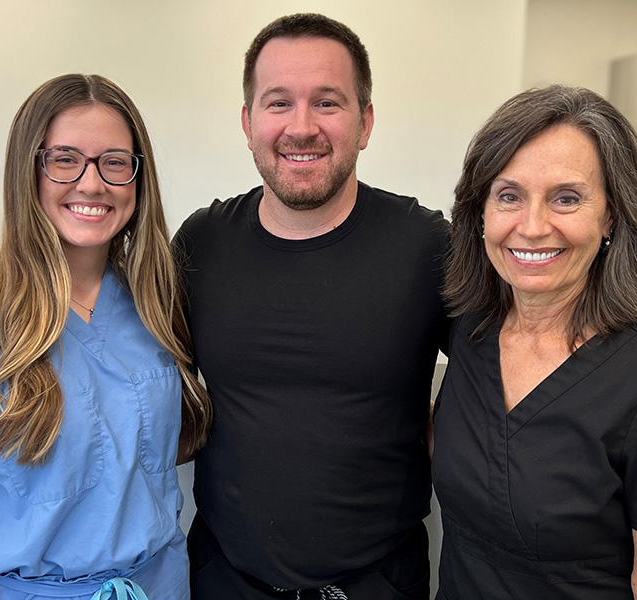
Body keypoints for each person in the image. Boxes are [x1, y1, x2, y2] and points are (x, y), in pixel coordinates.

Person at [0, 74, 211, 600]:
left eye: (115, 162)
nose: (92, 184)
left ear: (139, 179)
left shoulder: (158, 303)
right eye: (64, 159)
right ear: (28, 172)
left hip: (163, 586)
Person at [173, 13, 449, 600]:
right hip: (224, 580)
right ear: (248, 123)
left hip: (379, 585)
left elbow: (511, 366)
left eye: (327, 102)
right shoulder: (201, 244)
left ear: (365, 121)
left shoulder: (425, 246)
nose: (301, 127)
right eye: (278, 103)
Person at [432, 85, 637, 600]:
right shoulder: (469, 335)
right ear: (480, 213)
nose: (533, 226)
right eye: (509, 196)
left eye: (567, 198)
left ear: (610, 215)